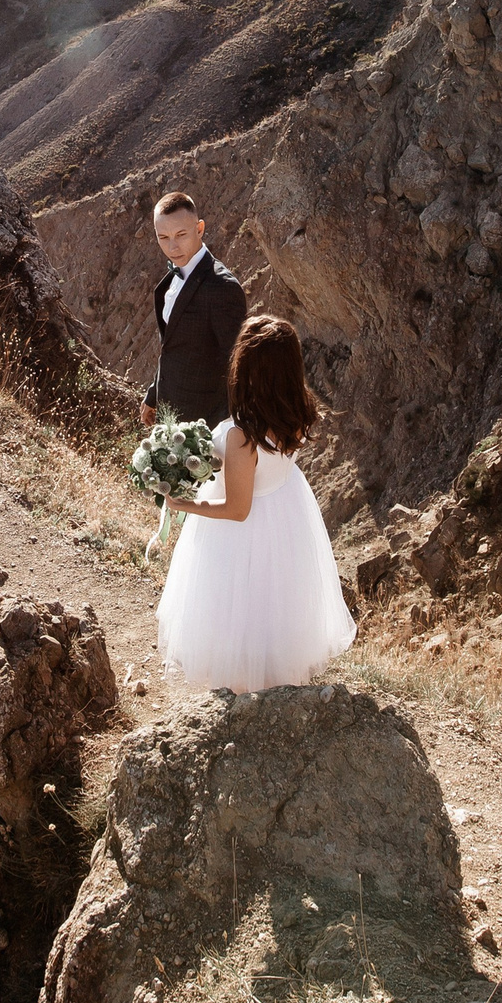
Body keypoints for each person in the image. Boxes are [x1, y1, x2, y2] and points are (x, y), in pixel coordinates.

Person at [154, 315, 356, 693]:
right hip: (283, 520)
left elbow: (237, 509)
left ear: (247, 369)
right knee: (272, 616)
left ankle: (245, 700)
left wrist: (185, 504)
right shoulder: (292, 417)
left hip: (242, 537)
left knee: (239, 619)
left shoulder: (241, 435)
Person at [141, 191, 246, 429]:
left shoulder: (222, 287)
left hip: (204, 426)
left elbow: (237, 364)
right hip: (169, 416)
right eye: (163, 237)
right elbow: (173, 348)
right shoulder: (172, 279)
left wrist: (221, 432)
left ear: (199, 229)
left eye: (181, 235)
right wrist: (154, 394)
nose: (172, 246)